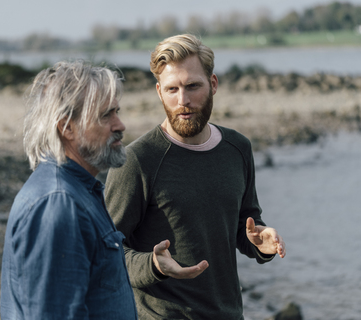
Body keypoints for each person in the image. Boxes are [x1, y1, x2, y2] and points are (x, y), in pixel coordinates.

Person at [105, 34, 286, 319]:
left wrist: (259, 242)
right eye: (172, 89)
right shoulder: (137, 161)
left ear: (213, 84)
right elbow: (105, 253)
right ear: (159, 91)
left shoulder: (238, 148)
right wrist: (153, 265)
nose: (183, 100)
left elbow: (245, 223)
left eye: (193, 86)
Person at [0, 60, 137, 319]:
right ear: (66, 127)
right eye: (105, 115)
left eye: (117, 111)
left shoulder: (77, 192)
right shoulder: (59, 204)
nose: (120, 125)